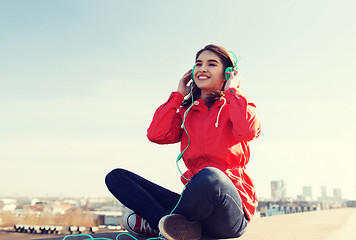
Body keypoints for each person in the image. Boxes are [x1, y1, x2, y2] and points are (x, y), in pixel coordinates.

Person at [105, 44, 261, 240]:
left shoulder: (236, 105)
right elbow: (156, 135)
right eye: (198, 64)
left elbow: (248, 131)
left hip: (228, 212)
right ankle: (167, 225)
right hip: (194, 208)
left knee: (210, 176)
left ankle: (163, 225)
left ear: (227, 73)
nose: (202, 68)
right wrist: (178, 96)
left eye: (211, 64)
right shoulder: (187, 111)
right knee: (116, 177)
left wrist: (233, 91)